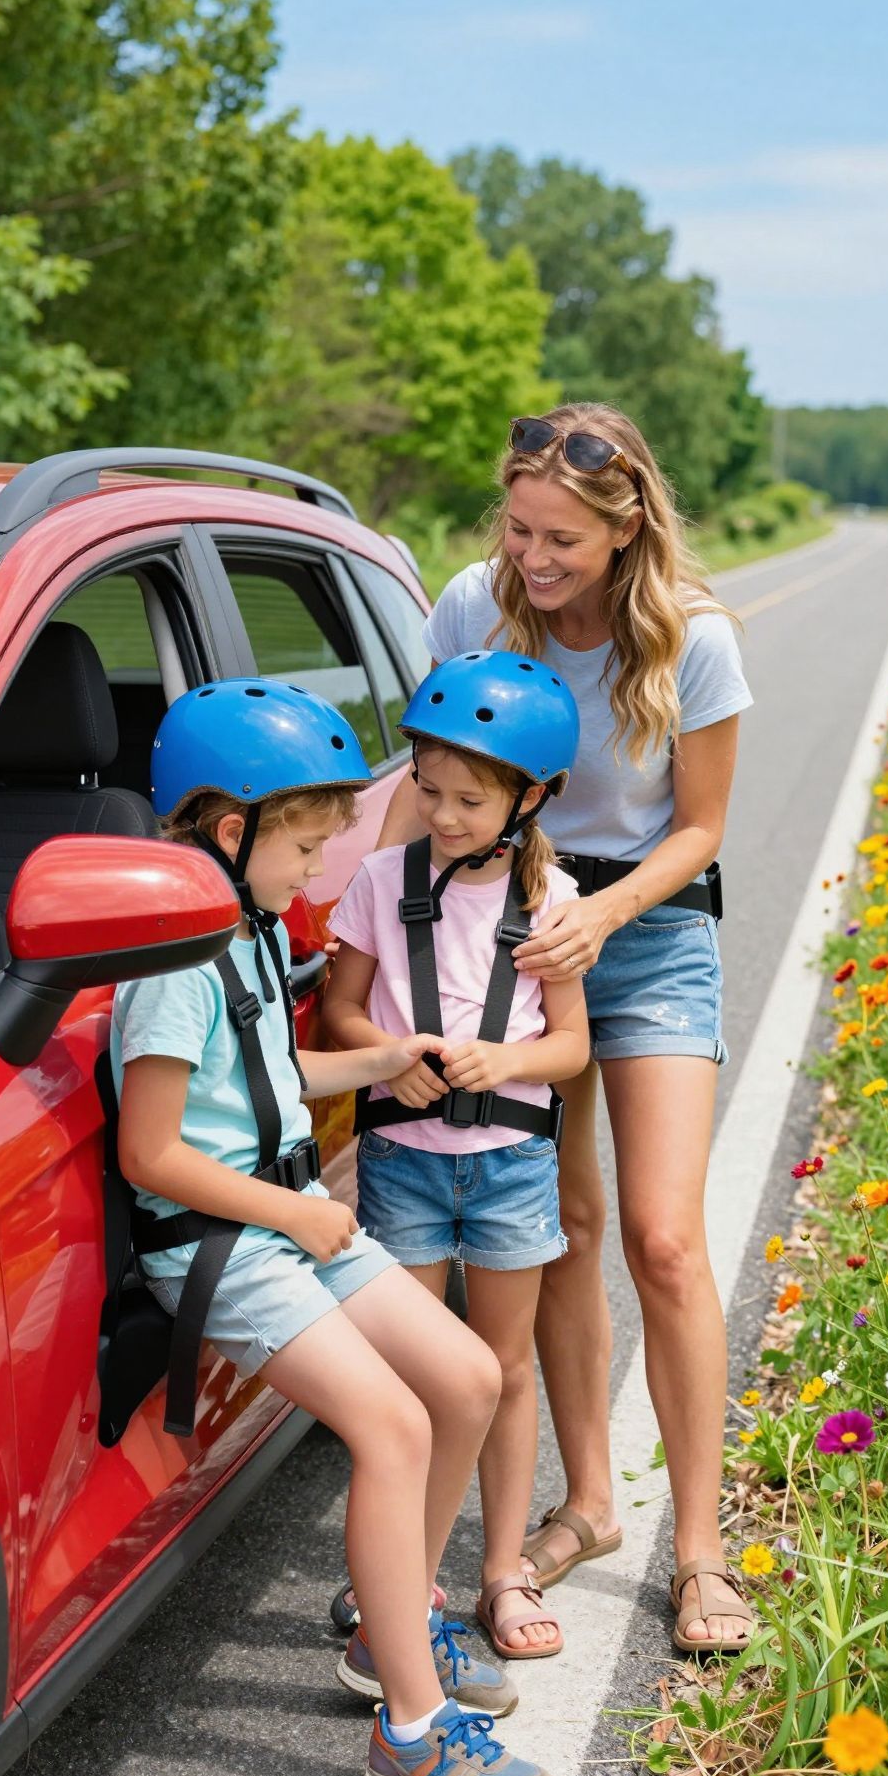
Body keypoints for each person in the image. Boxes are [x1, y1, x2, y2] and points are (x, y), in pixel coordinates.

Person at [112, 677, 560, 1776]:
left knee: (463, 1376)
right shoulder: (171, 965)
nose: (319, 870)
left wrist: (378, 1058)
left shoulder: (245, 927)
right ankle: (410, 1728)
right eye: (306, 846)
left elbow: (271, 1081)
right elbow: (152, 1154)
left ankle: (392, 1625)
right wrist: (298, 1214)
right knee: (393, 1419)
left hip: (289, 1215)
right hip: (232, 1240)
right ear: (232, 830)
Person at [375, 405, 756, 1653]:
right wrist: (363, 929)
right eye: (518, 529)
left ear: (626, 523)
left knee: (659, 1237)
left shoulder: (693, 639)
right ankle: (589, 1503)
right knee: (561, 1222)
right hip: (496, 921)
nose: (531, 561)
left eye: (561, 542)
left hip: (642, 927)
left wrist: (597, 915)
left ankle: (697, 1551)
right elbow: (423, 780)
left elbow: (699, 828)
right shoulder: (467, 607)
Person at [324, 652, 591, 1660]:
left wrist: (505, 1056)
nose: (441, 813)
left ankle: (501, 1569)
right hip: (403, 1155)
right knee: (413, 1368)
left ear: (530, 797)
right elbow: (344, 1005)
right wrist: (389, 1056)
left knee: (503, 1367)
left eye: (469, 798)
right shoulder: (380, 880)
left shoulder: (555, 898)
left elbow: (571, 1047)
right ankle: (404, 1572)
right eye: (427, 789)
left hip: (514, 1162)